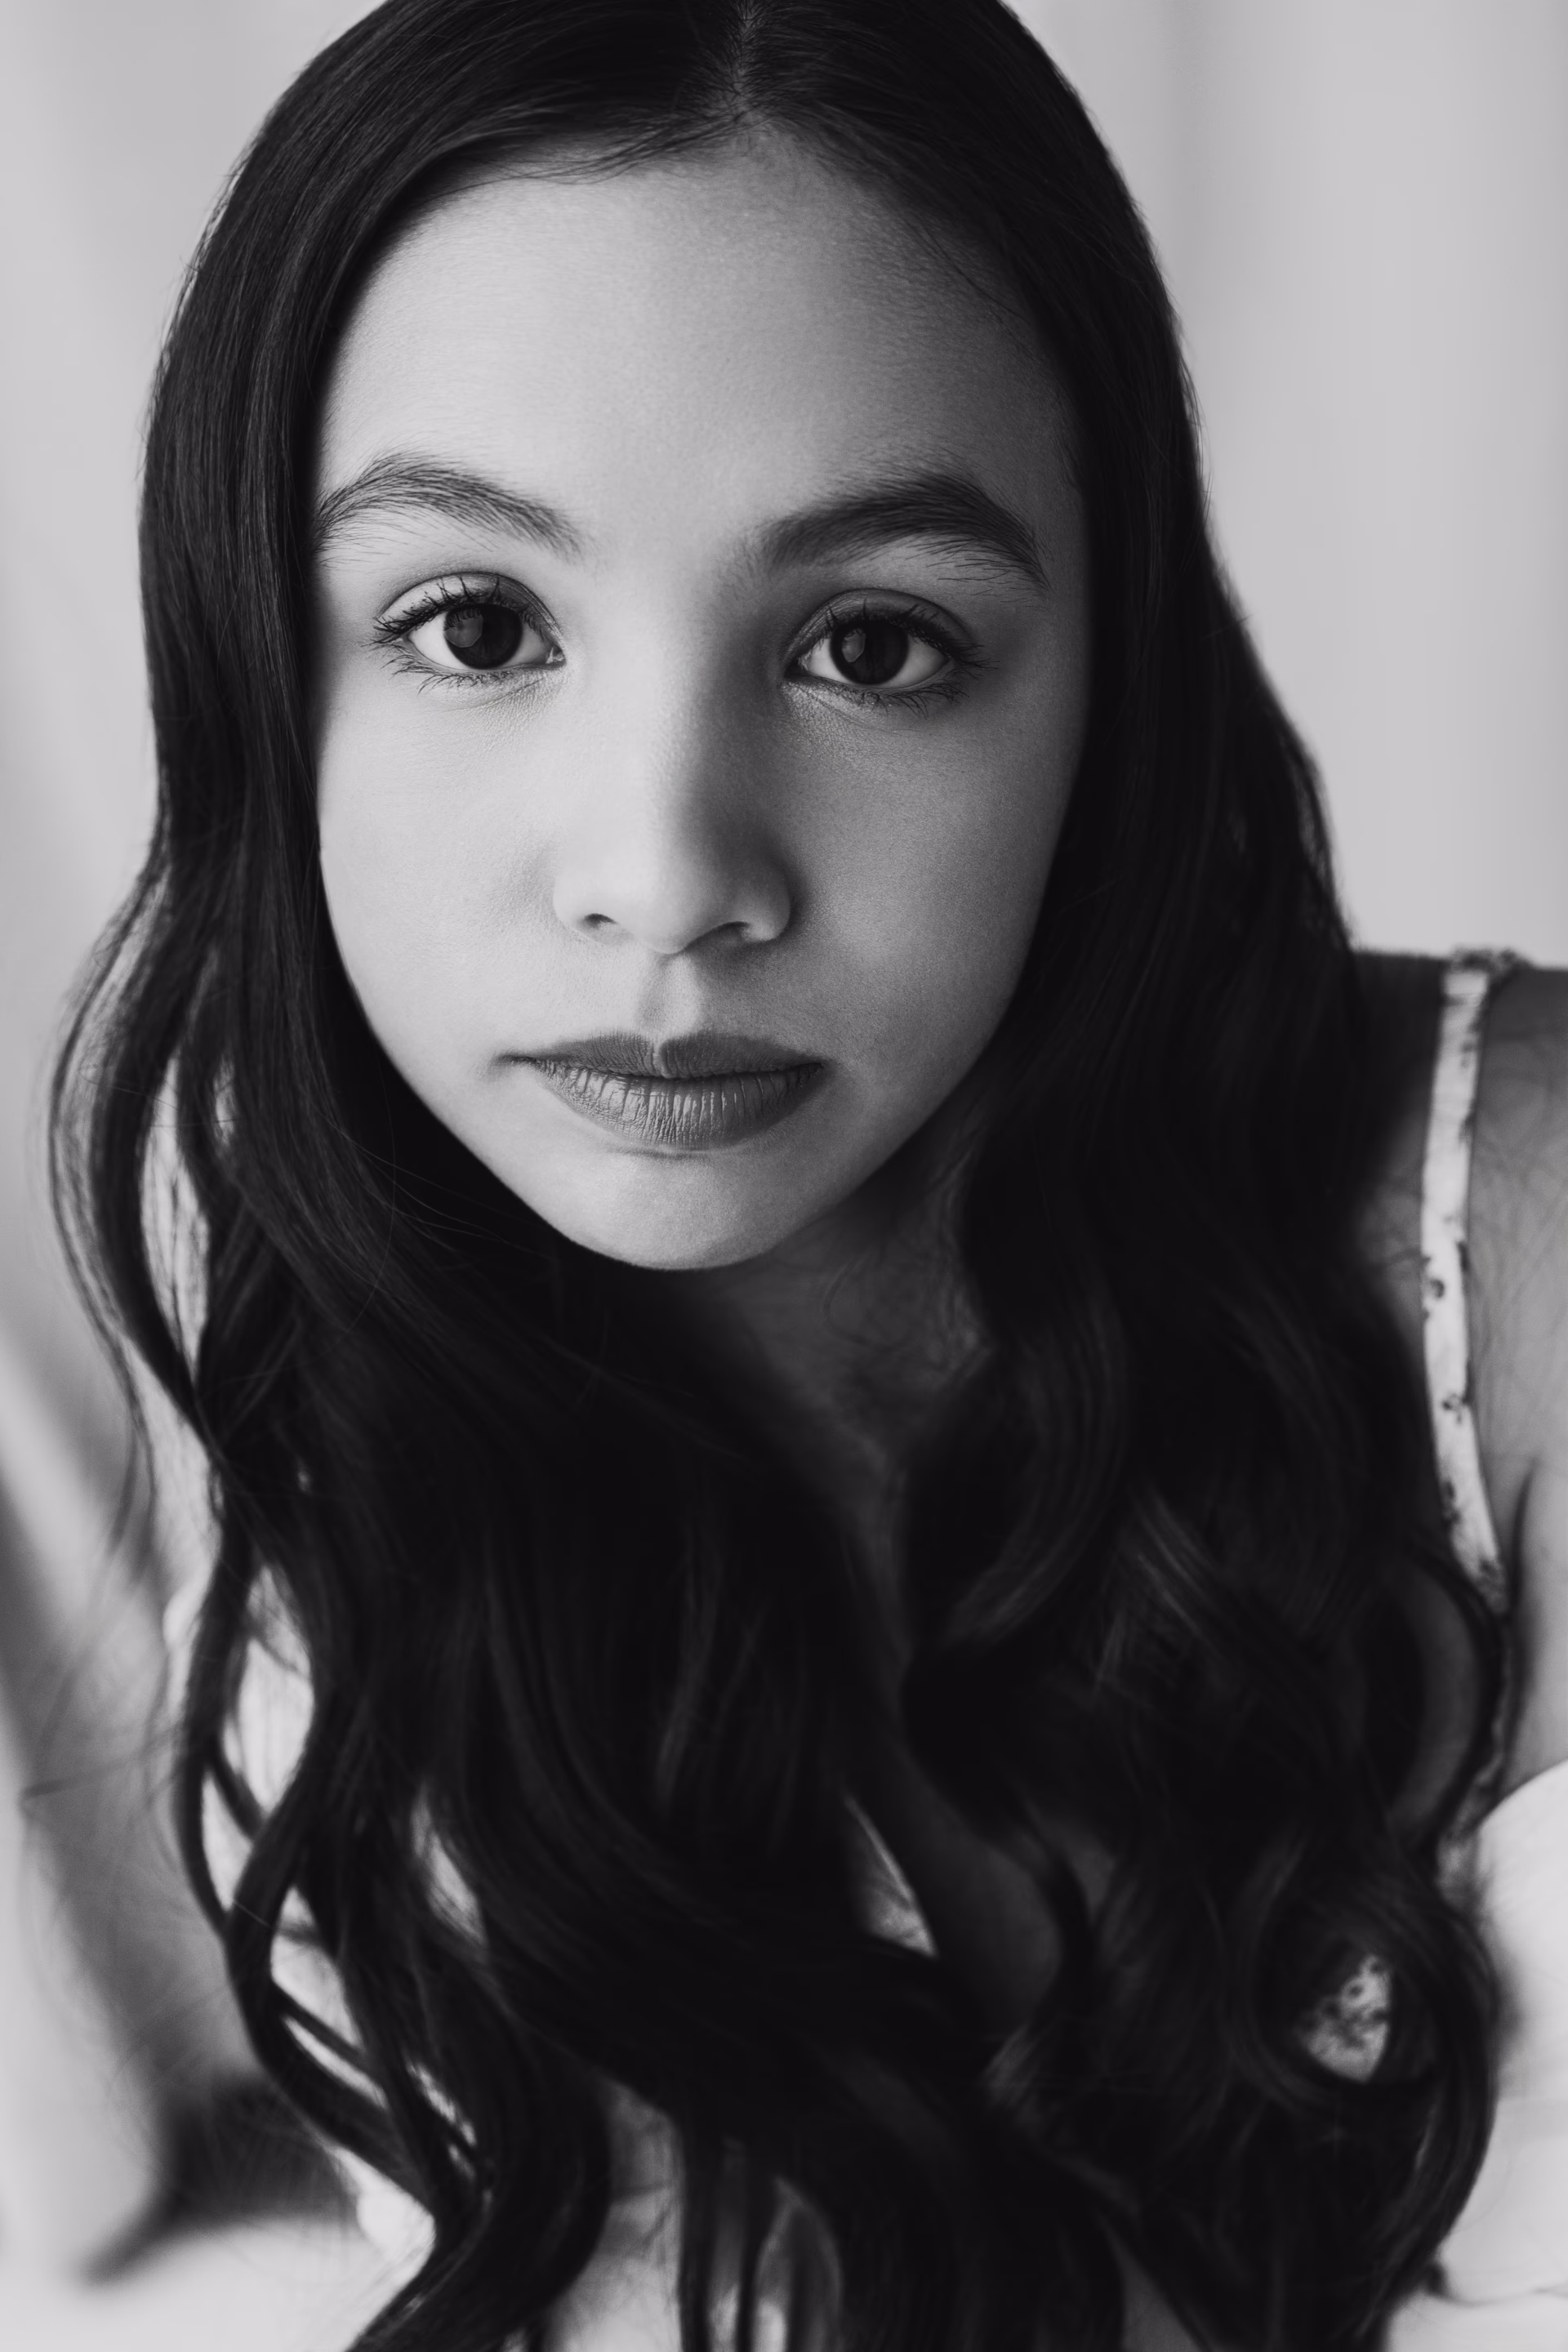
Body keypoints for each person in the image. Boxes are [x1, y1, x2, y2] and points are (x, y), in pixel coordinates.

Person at [49, 2, 1568, 2346]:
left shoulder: (1521, 1245)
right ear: (263, 684)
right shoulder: (344, 1599)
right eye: (476, 626)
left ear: (1112, 690)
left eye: (872, 645)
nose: (668, 875)